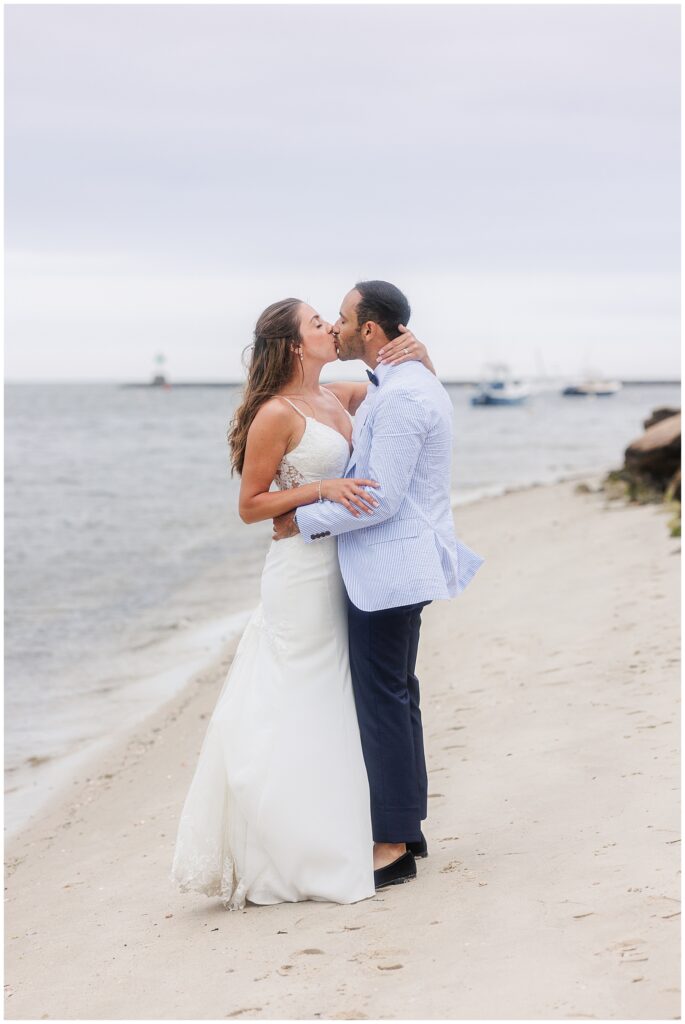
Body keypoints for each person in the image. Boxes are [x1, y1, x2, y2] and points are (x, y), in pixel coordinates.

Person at [170, 295, 434, 909]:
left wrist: (422, 356)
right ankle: (291, 844)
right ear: (294, 344)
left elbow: (408, 402)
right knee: (298, 693)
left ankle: (367, 827)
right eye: (318, 323)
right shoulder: (274, 414)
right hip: (297, 573)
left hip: (342, 567)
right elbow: (250, 505)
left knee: (337, 697)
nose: (330, 327)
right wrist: (323, 486)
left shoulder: (340, 395)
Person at [272, 281, 485, 889]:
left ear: (370, 329)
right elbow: (332, 400)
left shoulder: (403, 397)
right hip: (394, 567)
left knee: (384, 701)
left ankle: (391, 843)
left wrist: (300, 520)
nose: (334, 328)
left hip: (388, 570)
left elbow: (382, 499)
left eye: (340, 318)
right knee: (398, 695)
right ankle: (406, 828)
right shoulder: (398, 385)